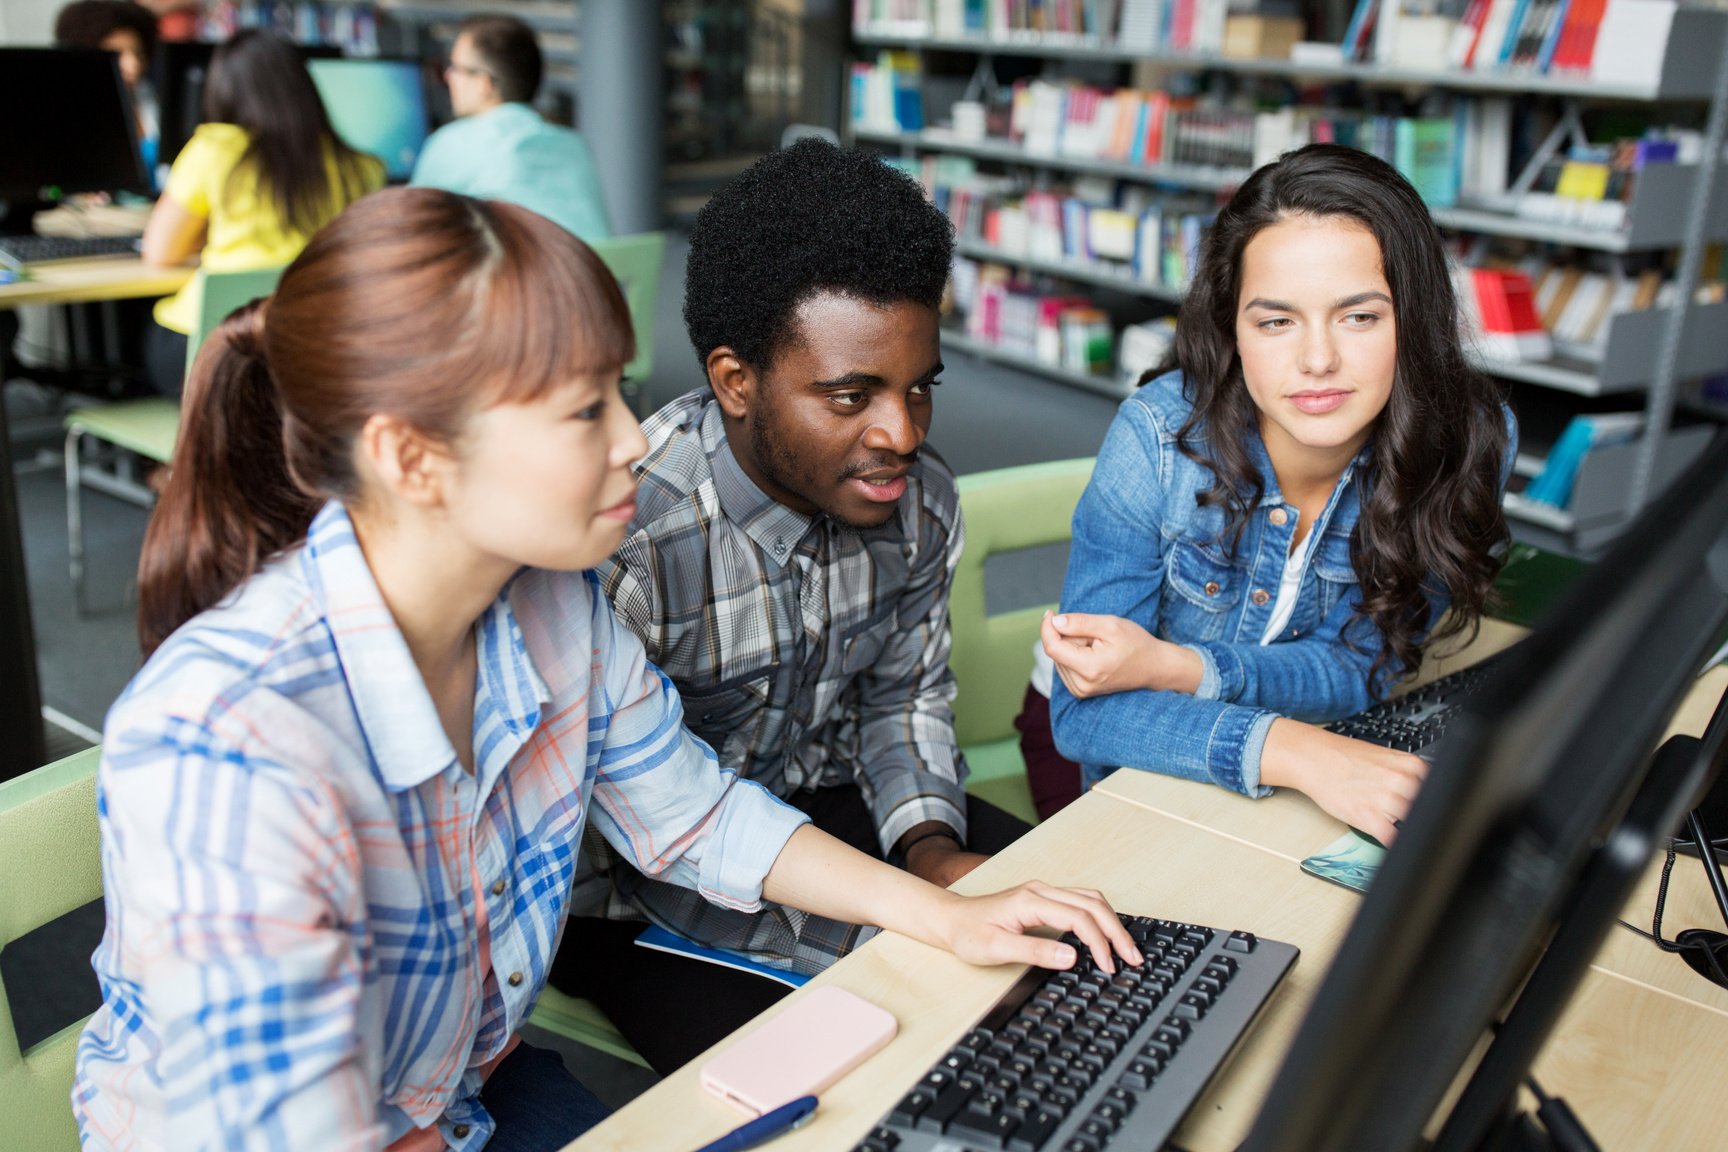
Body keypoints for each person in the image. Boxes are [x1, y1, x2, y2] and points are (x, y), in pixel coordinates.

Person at [71, 187, 1142, 1151]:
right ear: (413, 457)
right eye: (588, 410)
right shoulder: (228, 737)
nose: (637, 439)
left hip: (464, 1087)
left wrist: (942, 909)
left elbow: (693, 814)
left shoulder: (549, 606)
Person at [547, 139, 1030, 1073]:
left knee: (1079, 937)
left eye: (920, 388)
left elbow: (902, 703)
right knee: (888, 1066)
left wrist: (931, 854)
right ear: (735, 383)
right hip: (630, 895)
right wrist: (890, 938)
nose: (902, 434)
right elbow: (661, 829)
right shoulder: (631, 543)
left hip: (820, 799)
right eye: (852, 396)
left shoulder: (917, 498)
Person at [1036, 143, 1516, 846]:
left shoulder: (1466, 440)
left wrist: (1181, 667)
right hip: (1120, 763)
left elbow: (1363, 663)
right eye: (1276, 321)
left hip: (1290, 761)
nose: (1317, 359)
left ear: (1414, 318)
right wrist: (1298, 751)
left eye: (1359, 317)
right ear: (1232, 326)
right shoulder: (1156, 438)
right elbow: (1085, 717)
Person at [139, 29, 383, 395]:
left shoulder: (216, 149)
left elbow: (159, 253)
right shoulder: (362, 167)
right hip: (312, 351)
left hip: (216, 351)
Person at [410, 14, 612, 242]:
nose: (448, 76)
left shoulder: (452, 143)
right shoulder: (574, 146)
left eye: (455, 67)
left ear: (484, 83)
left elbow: (412, 232)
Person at [54, 0, 160, 166]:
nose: (133, 65)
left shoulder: (154, 100)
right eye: (117, 55)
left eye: (138, 54)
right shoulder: (67, 120)